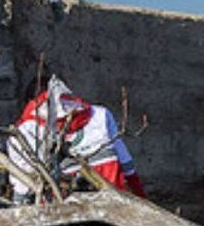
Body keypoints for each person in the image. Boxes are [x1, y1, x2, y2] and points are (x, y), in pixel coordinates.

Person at [10, 77, 147, 202]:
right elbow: (126, 164)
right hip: (112, 202)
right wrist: (141, 198)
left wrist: (17, 208)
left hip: (60, 210)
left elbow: (23, 184)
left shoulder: (24, 131)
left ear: (29, 102)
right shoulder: (100, 114)